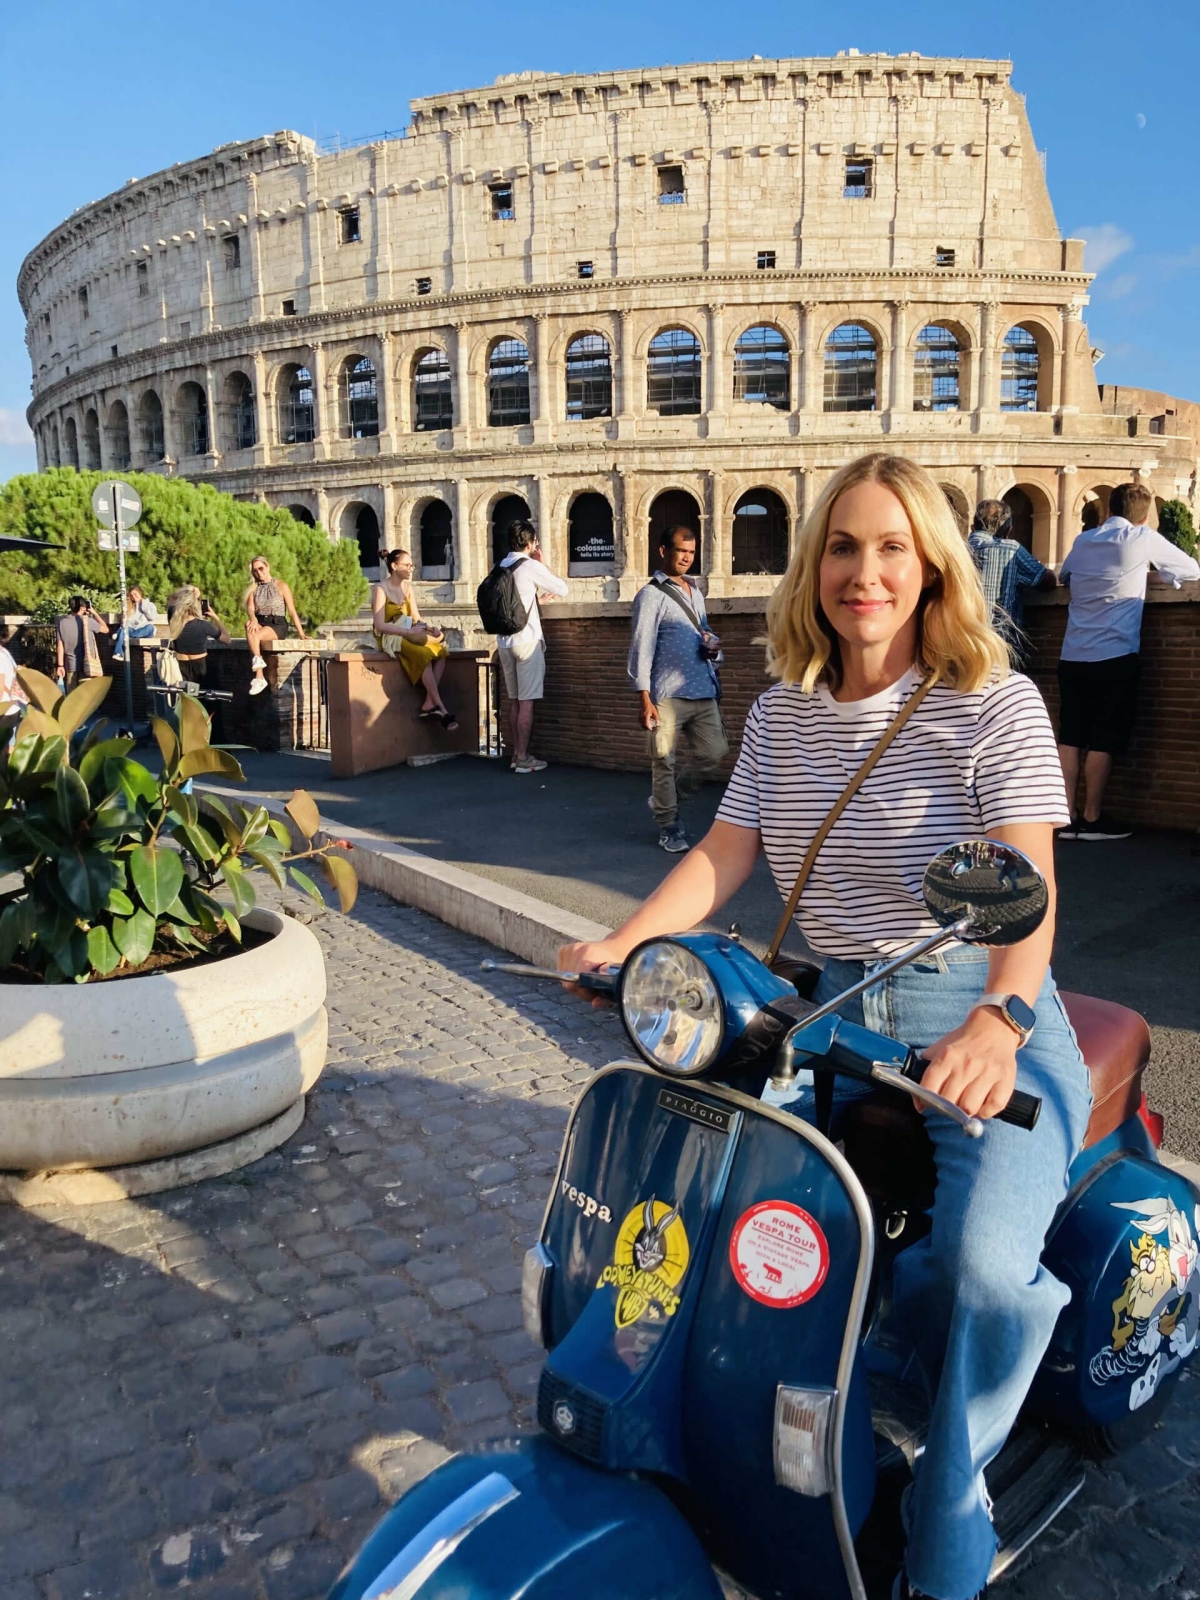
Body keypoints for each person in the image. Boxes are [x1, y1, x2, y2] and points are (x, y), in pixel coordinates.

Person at [560, 452, 1089, 1600]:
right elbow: (724, 853)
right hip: (829, 1013)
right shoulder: (788, 716)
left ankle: (954, 1512)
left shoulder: (992, 702)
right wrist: (626, 943)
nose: (867, 571)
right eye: (845, 546)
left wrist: (998, 1022)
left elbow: (1025, 892)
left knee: (986, 1273)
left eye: (894, 547)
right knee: (709, 1213)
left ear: (934, 566)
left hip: (973, 1020)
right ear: (815, 568)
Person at [1057, 479, 1199, 841]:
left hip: (1073, 652)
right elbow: (1191, 570)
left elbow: (1064, 575)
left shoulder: (1083, 540)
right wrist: (1163, 574)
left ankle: (1065, 816)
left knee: (1071, 735)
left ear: (1109, 509)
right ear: (1145, 516)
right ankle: (1091, 818)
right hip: (1114, 653)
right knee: (1103, 736)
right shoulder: (1142, 539)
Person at [628, 525, 728, 852]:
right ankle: (669, 826)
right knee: (663, 760)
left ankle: (667, 796)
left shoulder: (696, 593)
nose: (686, 558)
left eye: (691, 552)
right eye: (680, 551)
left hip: (702, 688)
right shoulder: (651, 595)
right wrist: (645, 699)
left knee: (716, 754)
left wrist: (714, 648)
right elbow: (641, 647)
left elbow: (705, 632)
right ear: (663, 552)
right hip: (666, 695)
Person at [495, 519, 568, 774]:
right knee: (527, 702)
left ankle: (516, 755)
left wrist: (536, 601)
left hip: (504, 641)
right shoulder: (529, 566)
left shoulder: (500, 565)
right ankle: (524, 758)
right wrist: (541, 562)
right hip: (526, 641)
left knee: (514, 701)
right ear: (529, 542)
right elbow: (562, 588)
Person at [372, 548, 457, 730]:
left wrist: (429, 627)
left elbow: (416, 617)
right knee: (422, 653)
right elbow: (379, 625)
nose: (411, 569)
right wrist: (407, 633)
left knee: (442, 652)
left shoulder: (408, 588)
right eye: (407, 565)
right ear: (394, 566)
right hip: (390, 637)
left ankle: (428, 703)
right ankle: (442, 709)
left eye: (412, 565)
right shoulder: (380, 589)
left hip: (410, 632)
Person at [967, 498, 1055, 663]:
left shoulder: (955, 550)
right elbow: (1047, 580)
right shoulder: (1010, 549)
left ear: (973, 527)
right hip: (999, 647)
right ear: (1008, 530)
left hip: (955, 645)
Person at [243, 556, 305, 696]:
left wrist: (301, 634)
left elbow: (292, 612)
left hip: (277, 624)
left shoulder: (281, 586)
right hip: (260, 622)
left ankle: (259, 673)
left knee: (255, 634)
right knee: (249, 625)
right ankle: (259, 675)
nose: (259, 572)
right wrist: (253, 619)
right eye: (255, 570)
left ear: (267, 567)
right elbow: (250, 609)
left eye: (261, 568)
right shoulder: (254, 588)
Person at [166, 586, 230, 687]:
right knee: (206, 700)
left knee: (187, 700)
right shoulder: (203, 625)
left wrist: (190, 589)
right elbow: (227, 639)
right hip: (202, 667)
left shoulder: (174, 623)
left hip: (181, 667)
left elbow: (172, 597)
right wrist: (214, 616)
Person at [55, 595, 109, 691]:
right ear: (82, 607)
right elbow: (106, 629)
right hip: (87, 666)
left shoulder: (62, 622)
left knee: (72, 696)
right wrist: (94, 613)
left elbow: (60, 646)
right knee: (86, 695)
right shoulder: (88, 621)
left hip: (70, 665)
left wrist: (60, 665)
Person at [111, 585, 159, 662]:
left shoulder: (149, 605)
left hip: (144, 629)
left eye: (135, 594)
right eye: (131, 595)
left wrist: (143, 605)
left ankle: (120, 633)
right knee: (124, 629)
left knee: (150, 627)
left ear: (140, 593)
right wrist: (124, 619)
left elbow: (152, 617)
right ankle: (119, 653)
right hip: (133, 629)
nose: (133, 597)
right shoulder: (130, 607)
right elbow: (126, 622)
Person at [0, 622, 29, 742]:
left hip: (6, 707)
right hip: (16, 704)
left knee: (5, 746)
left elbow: (0, 686)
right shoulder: (5, 652)